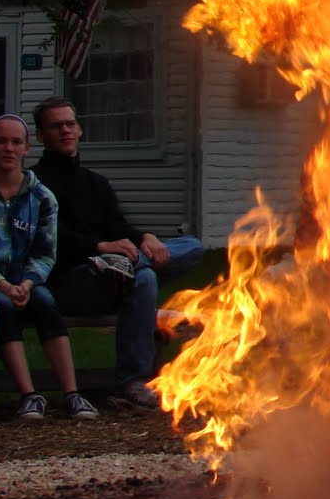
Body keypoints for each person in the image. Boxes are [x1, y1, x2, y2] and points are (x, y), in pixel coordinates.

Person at [33, 97, 204, 411]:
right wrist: (99, 249)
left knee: (192, 247)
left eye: (70, 124)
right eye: (56, 126)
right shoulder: (36, 184)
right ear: (41, 136)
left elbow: (117, 225)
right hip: (73, 280)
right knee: (144, 277)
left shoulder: (95, 182)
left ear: (80, 129)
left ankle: (130, 265)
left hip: (114, 271)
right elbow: (50, 239)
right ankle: (132, 382)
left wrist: (145, 238)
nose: (65, 130)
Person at [0, 114, 99, 420]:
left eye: (16, 142)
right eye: (1, 141)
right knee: (2, 305)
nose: (8, 148)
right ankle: (30, 395)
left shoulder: (41, 198)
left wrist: (27, 283)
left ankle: (72, 394)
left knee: (45, 301)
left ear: (27, 148)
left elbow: (45, 253)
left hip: (27, 283)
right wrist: (4, 285)